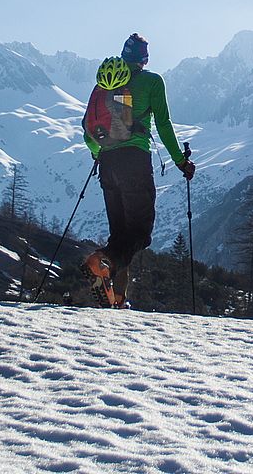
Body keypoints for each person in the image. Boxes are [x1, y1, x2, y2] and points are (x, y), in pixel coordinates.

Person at [81, 33, 194, 307]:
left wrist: (100, 154)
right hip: (134, 161)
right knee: (140, 233)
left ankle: (117, 298)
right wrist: (181, 162)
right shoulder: (151, 82)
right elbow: (164, 125)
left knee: (120, 235)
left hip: (107, 164)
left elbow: (87, 131)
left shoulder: (104, 85)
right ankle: (101, 262)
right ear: (145, 59)